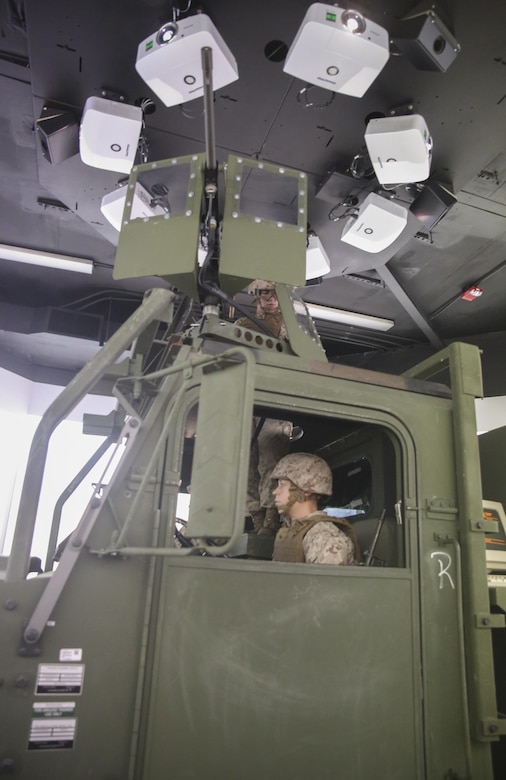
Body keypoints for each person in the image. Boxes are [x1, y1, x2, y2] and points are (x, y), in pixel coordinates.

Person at [236, 280, 291, 535]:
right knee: (246, 463)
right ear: (257, 296)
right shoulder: (244, 323)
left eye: (275, 294)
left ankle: (270, 519)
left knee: (270, 460)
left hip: (273, 397)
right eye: (265, 294)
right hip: (246, 396)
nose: (271, 299)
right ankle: (257, 519)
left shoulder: (287, 324)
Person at [271, 453, 361, 564]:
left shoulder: (324, 537)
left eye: (283, 485)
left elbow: (324, 581)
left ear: (306, 490)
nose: (275, 492)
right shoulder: (291, 530)